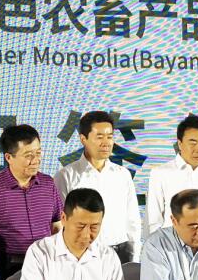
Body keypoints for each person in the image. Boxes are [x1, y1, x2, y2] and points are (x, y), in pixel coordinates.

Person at [15, 188, 138, 280]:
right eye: (80, 226)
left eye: (94, 227)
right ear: (63, 219)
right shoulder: (40, 252)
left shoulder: (108, 256)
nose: (86, 234)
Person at [0, 124, 63, 280]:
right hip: (6, 268)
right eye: (28, 155)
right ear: (8, 157)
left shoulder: (48, 184)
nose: (36, 160)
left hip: (45, 265)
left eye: (38, 153)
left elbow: (57, 226)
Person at [54, 111, 142, 263]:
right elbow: (62, 222)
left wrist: (134, 256)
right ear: (83, 139)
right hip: (83, 252)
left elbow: (132, 218)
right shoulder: (66, 176)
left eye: (110, 137)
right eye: (99, 137)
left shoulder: (122, 174)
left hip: (120, 253)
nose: (106, 143)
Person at [144, 115, 198, 245]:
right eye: (193, 143)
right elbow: (153, 222)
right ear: (180, 144)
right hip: (172, 249)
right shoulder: (160, 174)